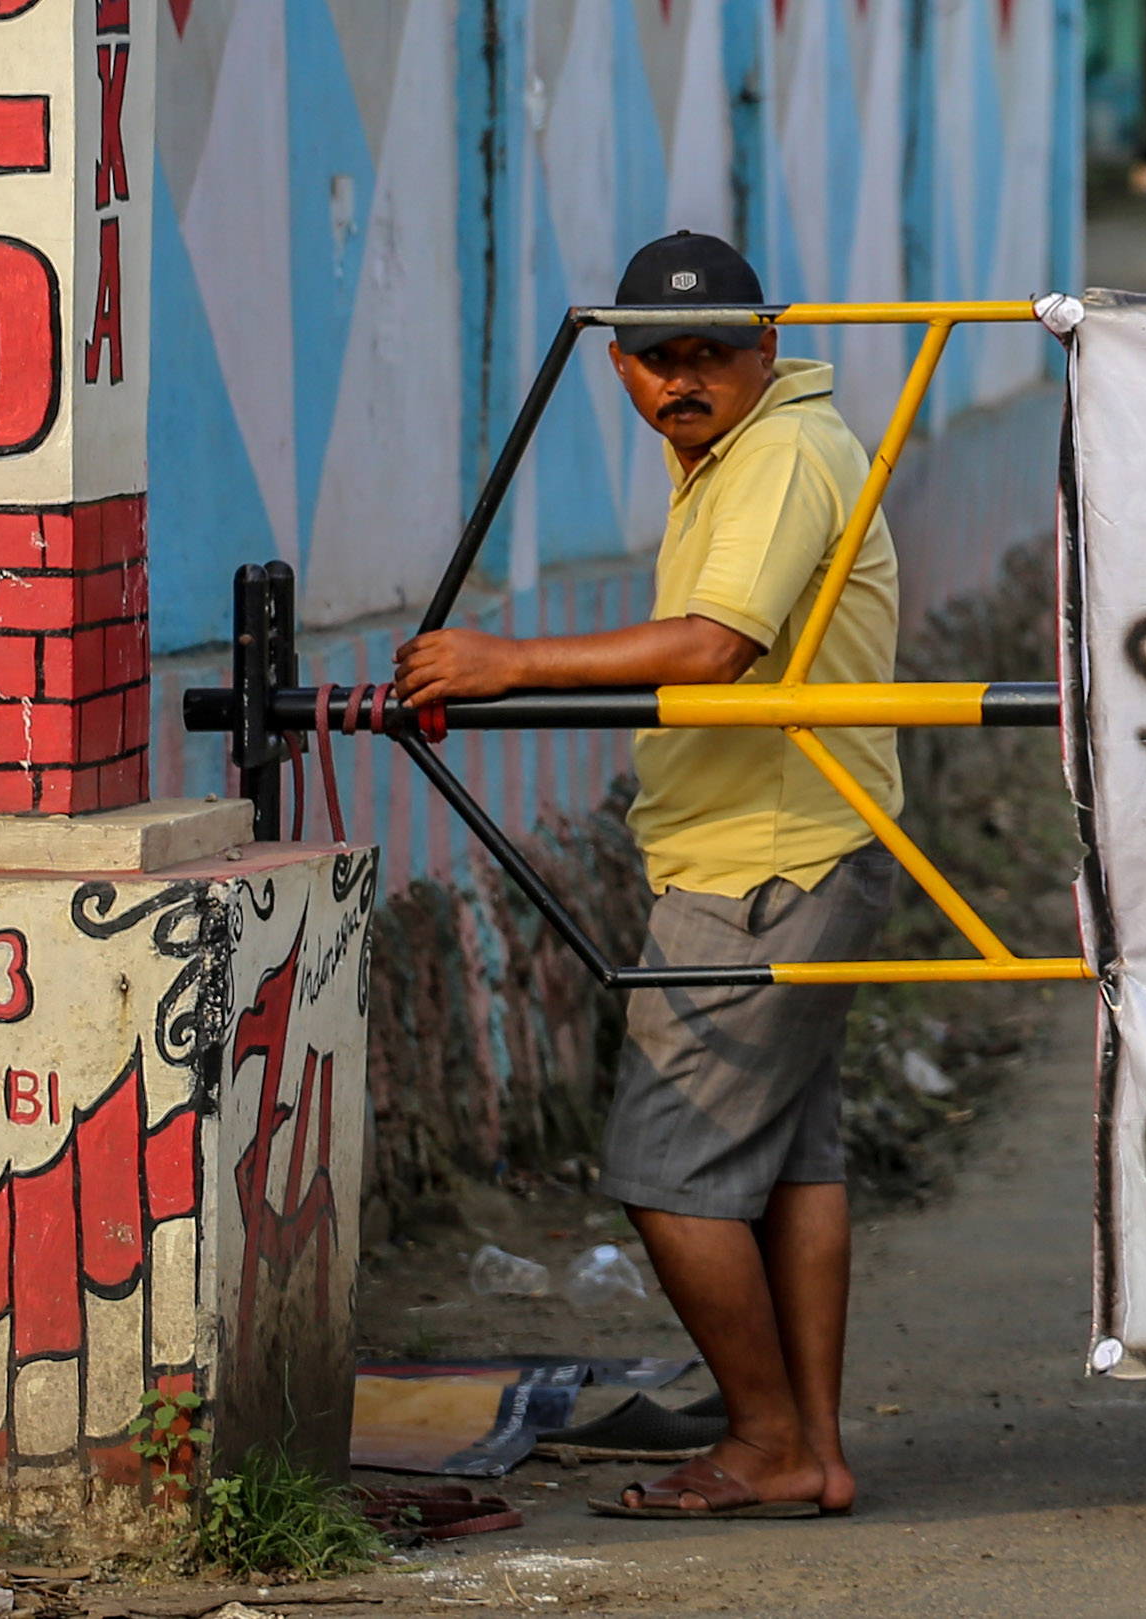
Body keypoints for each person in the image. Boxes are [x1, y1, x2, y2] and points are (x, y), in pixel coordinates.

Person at [392, 230, 906, 1521]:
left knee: (665, 1173)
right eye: (655, 358)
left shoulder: (782, 452)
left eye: (710, 354)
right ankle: (804, 1448)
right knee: (790, 1167)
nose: (683, 380)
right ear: (619, 367)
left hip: (766, 863)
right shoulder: (742, 450)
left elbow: (714, 644)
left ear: (764, 350)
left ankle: (770, 1439)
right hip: (790, 847)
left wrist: (507, 661)